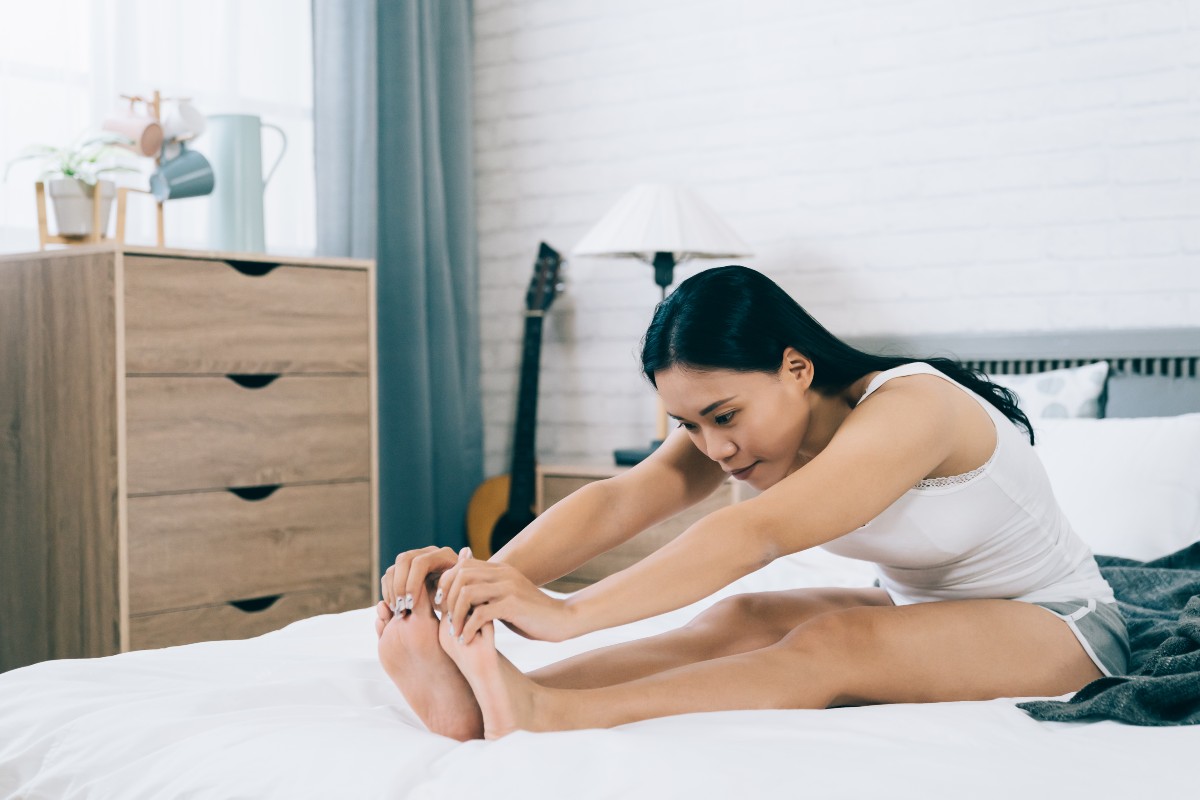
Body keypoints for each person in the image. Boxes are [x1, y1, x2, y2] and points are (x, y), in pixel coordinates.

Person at [375, 264, 1129, 741]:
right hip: (928, 614)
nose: (715, 448)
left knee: (834, 643)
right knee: (739, 619)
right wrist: (484, 582)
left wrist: (567, 613)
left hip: (1060, 626)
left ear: (796, 369)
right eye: (688, 424)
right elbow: (619, 501)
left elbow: (756, 532)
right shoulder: (745, 428)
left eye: (724, 416)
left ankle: (549, 715)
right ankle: (500, 697)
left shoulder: (914, 408)